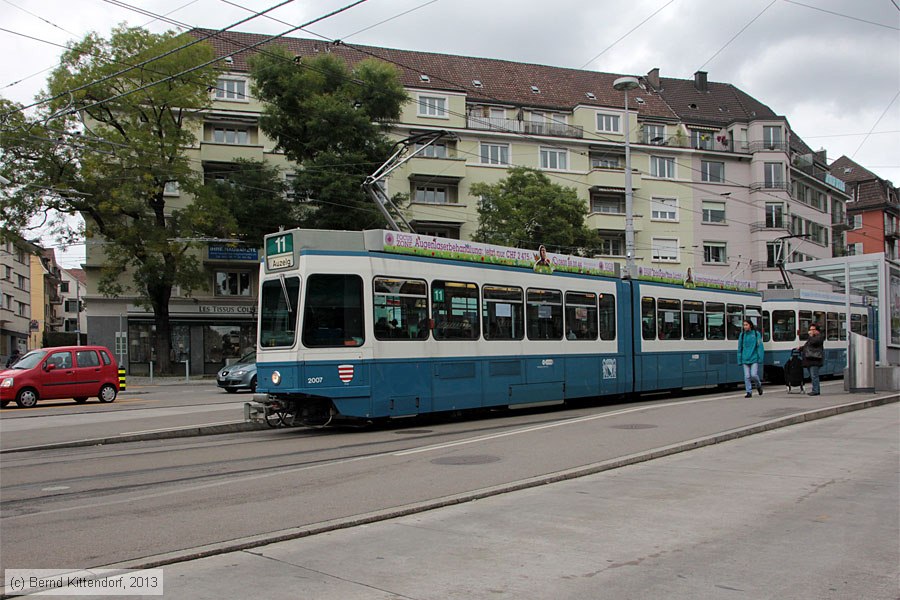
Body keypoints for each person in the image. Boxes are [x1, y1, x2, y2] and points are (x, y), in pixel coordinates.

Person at [737, 319, 764, 398]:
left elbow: (760, 346)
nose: (745, 326)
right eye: (744, 325)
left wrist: (760, 358)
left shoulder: (756, 334)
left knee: (754, 375)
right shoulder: (742, 335)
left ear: (750, 325)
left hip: (754, 358)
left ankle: (758, 385)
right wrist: (739, 359)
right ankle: (749, 392)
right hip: (745, 358)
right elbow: (739, 348)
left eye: (746, 325)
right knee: (747, 376)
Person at [798, 323, 824, 396]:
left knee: (814, 375)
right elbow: (807, 346)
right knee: (812, 375)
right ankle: (815, 389)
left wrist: (811, 336)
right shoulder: (812, 337)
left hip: (815, 359)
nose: (811, 331)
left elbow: (814, 342)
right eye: (810, 330)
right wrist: (800, 348)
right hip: (810, 359)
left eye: (813, 329)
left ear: (817, 330)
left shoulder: (819, 337)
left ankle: (816, 390)